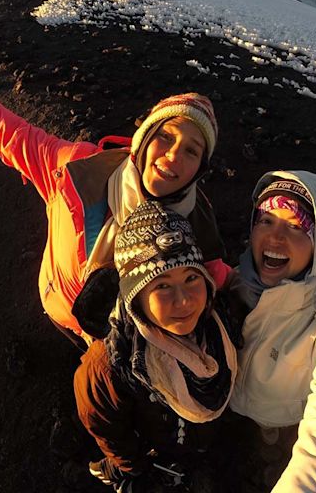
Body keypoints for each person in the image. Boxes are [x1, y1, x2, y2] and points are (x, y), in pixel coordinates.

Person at [0, 60, 228, 348]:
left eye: (191, 150)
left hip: (117, 345)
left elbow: (218, 282)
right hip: (58, 305)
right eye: (165, 136)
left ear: (200, 169)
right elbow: (19, 138)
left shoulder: (199, 226)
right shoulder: (79, 171)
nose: (173, 155)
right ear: (143, 140)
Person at [74, 201, 237, 491]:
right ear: (135, 297)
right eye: (161, 285)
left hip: (198, 439)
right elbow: (107, 427)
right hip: (154, 447)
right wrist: (134, 465)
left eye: (191, 277)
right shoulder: (112, 366)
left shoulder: (219, 322)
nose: (184, 300)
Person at [228, 170, 316, 492]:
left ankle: (269, 434)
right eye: (265, 220)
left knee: (269, 429)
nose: (275, 238)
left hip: (277, 410)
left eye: (295, 226)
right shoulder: (230, 282)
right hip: (227, 399)